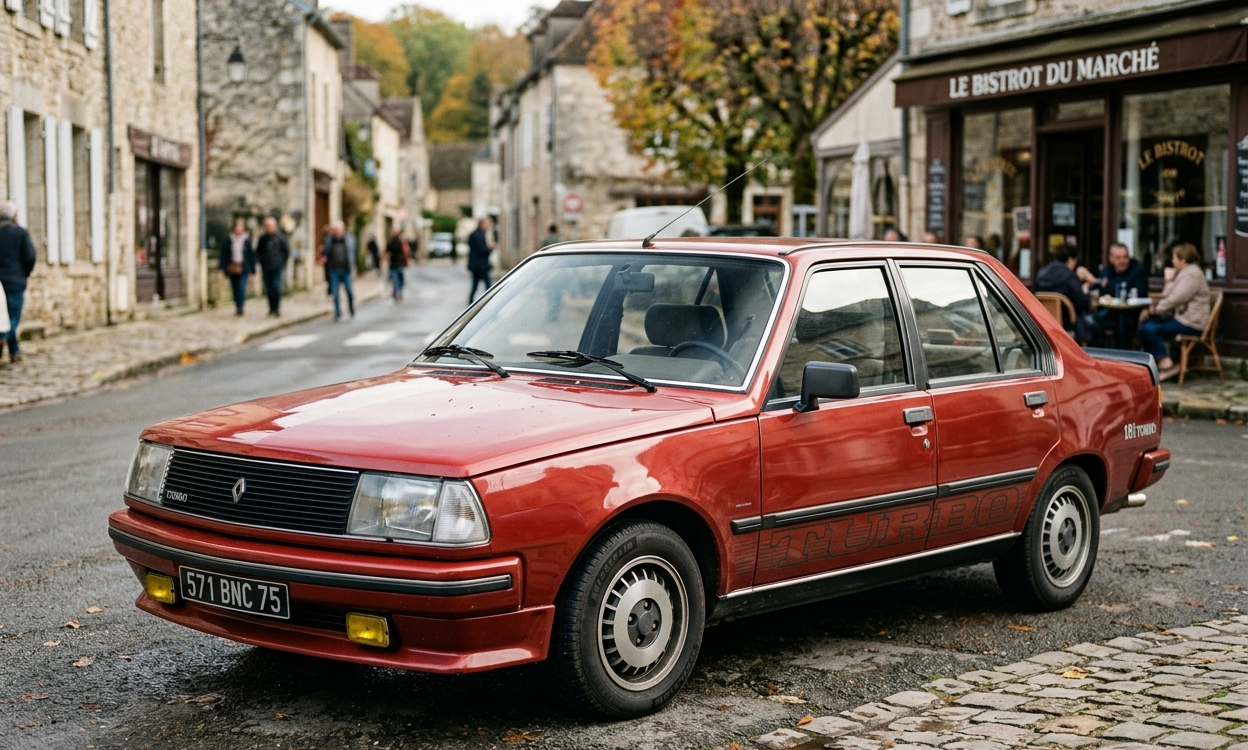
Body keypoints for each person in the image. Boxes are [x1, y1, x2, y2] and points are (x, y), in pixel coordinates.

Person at [1138, 242, 1210, 381]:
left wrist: (1154, 310)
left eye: (1174, 258)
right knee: (1146, 326)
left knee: (1151, 328)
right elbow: (1168, 295)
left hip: (1191, 322)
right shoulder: (1183, 273)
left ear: (1183, 259)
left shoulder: (1192, 275)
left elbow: (1176, 299)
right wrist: (1169, 281)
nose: (1172, 261)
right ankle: (1151, 362)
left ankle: (1166, 363)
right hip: (1182, 318)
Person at [1090, 242, 1149, 349]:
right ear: (1111, 259)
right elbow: (1098, 290)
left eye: (1125, 257)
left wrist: (1109, 287)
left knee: (1123, 321)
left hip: (1132, 313)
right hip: (1111, 311)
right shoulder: (1107, 271)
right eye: (1118, 258)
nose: (1122, 261)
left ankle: (1122, 357)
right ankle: (1099, 355)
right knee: (1094, 321)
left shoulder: (1138, 270)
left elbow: (1140, 293)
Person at [1036, 243, 1096, 343]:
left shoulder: (1041, 273)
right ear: (1070, 259)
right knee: (1097, 329)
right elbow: (1083, 301)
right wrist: (1088, 293)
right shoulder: (1068, 275)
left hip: (1045, 322)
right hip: (1067, 324)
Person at [0, 201, 36, 363]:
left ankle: (15, 352)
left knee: (4, 316)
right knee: (13, 317)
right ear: (14, 216)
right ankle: (2, 337)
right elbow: (30, 257)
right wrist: (24, 273)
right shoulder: (20, 233)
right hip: (15, 280)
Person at [320, 221, 356, 320]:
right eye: (335, 230)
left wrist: (353, 265)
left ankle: (351, 306)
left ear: (343, 229)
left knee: (349, 290)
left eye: (339, 230)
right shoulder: (329, 240)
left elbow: (353, 253)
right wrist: (324, 257)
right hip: (334, 270)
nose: (337, 232)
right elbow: (325, 253)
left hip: (346, 269)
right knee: (335, 293)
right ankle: (337, 312)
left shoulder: (349, 239)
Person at [255, 217, 290, 317]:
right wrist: (260, 261)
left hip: (277, 266)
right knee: (269, 289)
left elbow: (286, 251)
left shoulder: (280, 237)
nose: (268, 228)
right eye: (266, 226)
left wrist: (281, 262)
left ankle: (277, 308)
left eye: (270, 226)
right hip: (266, 267)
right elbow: (259, 251)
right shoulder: (263, 238)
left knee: (276, 288)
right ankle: (271, 308)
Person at [220, 218, 256, 316]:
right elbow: (223, 254)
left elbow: (251, 255)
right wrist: (222, 267)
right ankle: (237, 305)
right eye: (237, 228)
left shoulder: (246, 240)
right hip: (232, 266)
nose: (239, 230)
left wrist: (253, 269)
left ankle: (241, 306)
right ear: (234, 228)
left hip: (243, 267)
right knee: (235, 288)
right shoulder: (229, 239)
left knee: (241, 287)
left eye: (241, 228)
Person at [466, 218, 495, 304]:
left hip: (475, 264)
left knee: (475, 285)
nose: (488, 226)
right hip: (481, 265)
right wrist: (491, 247)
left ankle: (471, 301)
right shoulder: (480, 235)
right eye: (487, 224)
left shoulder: (473, 234)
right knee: (488, 285)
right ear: (482, 224)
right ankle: (490, 300)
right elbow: (482, 250)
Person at [385, 228, 408, 301]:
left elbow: (387, 254)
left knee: (396, 279)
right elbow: (406, 252)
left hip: (395, 263)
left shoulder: (393, 242)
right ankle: (398, 291)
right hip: (398, 263)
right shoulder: (400, 242)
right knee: (399, 279)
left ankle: (397, 291)